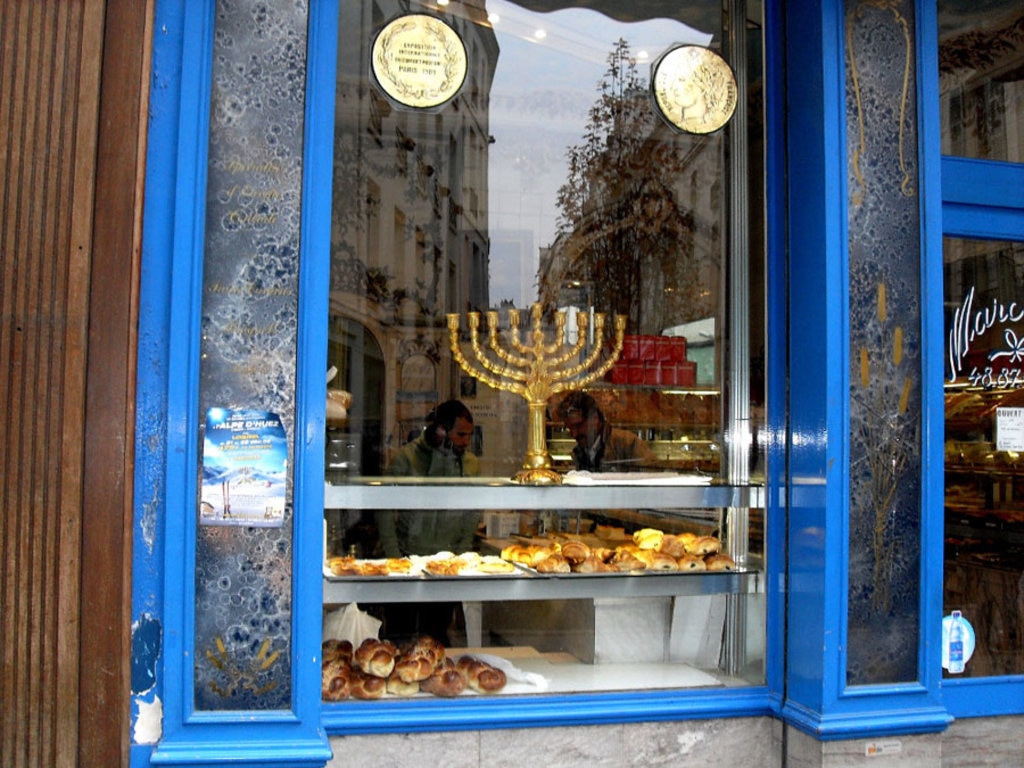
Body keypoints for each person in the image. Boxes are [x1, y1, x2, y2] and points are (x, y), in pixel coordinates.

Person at [374, 399, 481, 644]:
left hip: (446, 566)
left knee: (436, 638)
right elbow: (383, 509)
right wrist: (394, 557)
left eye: (469, 435)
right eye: (461, 434)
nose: (466, 441)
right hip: (407, 560)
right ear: (441, 430)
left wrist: (460, 555)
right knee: (399, 637)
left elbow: (472, 511)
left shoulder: (471, 464)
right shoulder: (407, 458)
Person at [556, 391, 656, 472]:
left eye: (578, 426)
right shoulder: (578, 453)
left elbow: (652, 478)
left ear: (594, 418)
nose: (574, 434)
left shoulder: (628, 443)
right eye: (569, 429)